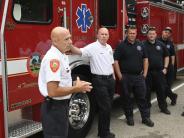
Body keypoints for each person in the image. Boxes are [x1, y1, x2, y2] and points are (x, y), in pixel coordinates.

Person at [38, 27, 92, 138]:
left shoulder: (61, 54)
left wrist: (75, 85)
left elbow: (61, 83)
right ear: (55, 41)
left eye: (70, 38)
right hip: (54, 107)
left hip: (60, 106)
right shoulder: (53, 59)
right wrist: (75, 89)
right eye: (66, 39)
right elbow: (52, 91)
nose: (71, 42)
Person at [70, 27, 116, 138]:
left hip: (110, 80)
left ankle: (103, 131)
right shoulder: (92, 47)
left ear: (108, 36)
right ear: (97, 35)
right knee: (105, 107)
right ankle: (104, 133)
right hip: (99, 81)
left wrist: (113, 76)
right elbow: (79, 51)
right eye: (102, 34)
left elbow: (111, 63)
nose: (104, 36)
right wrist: (69, 44)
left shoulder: (109, 47)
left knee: (108, 106)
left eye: (106, 34)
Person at [114, 26, 154, 127]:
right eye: (130, 33)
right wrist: (120, 76)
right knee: (127, 99)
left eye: (134, 33)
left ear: (136, 34)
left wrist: (144, 73)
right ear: (127, 33)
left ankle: (146, 118)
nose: (132, 35)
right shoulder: (121, 46)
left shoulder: (141, 45)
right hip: (126, 77)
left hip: (139, 77)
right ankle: (129, 117)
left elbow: (145, 59)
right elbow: (115, 61)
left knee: (142, 98)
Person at [143, 27, 171, 115]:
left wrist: (165, 68)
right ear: (147, 35)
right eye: (150, 34)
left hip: (159, 72)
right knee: (147, 91)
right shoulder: (143, 45)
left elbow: (167, 56)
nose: (151, 35)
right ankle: (147, 108)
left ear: (156, 35)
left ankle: (163, 107)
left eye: (153, 34)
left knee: (161, 91)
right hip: (148, 72)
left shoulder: (161, 44)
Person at [158, 27, 177, 105]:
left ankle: (164, 100)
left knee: (168, 85)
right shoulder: (157, 41)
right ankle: (173, 96)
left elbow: (172, 55)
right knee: (162, 85)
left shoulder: (170, 43)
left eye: (168, 33)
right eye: (166, 32)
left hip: (169, 67)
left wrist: (171, 66)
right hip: (160, 67)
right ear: (162, 32)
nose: (167, 34)